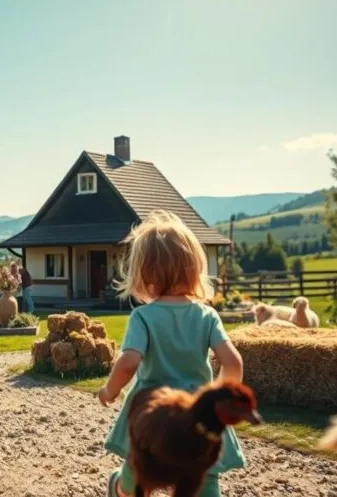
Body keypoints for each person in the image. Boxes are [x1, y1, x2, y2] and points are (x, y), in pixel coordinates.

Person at [98, 210, 246, 497]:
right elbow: (233, 362)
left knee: (139, 467)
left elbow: (128, 362)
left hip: (152, 416)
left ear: (143, 273)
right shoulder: (207, 316)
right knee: (203, 475)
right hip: (198, 415)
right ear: (194, 268)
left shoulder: (143, 317)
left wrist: (109, 390)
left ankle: (121, 488)